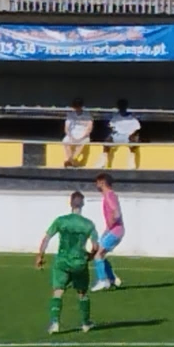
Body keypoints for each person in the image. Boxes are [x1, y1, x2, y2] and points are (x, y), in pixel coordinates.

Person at [36, 191, 97, 333]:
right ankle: (85, 323)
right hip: (79, 263)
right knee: (82, 292)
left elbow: (47, 238)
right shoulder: (88, 224)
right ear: (82, 204)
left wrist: (40, 255)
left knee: (58, 291)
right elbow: (95, 246)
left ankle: (55, 323)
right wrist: (91, 256)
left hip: (62, 261)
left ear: (70, 203)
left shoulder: (61, 221)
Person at [91, 173, 124, 292]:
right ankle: (111, 279)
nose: (96, 185)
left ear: (102, 183)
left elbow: (117, 213)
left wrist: (111, 223)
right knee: (101, 254)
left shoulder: (109, 195)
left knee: (98, 255)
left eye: (97, 182)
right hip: (115, 231)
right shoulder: (110, 195)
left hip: (116, 231)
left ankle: (103, 280)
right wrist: (105, 231)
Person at [94, 99, 140, 169]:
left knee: (134, 142)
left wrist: (131, 134)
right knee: (107, 142)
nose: (121, 108)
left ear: (126, 107)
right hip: (117, 136)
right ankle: (102, 163)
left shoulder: (132, 117)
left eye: (123, 106)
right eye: (120, 106)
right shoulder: (115, 117)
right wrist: (114, 132)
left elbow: (137, 128)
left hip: (128, 136)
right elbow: (111, 126)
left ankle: (131, 165)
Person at [62, 98, 93, 167]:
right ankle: (72, 161)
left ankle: (71, 160)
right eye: (76, 106)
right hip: (72, 134)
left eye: (78, 106)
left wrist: (83, 136)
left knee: (83, 142)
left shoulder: (87, 114)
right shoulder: (70, 114)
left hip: (83, 134)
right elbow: (66, 128)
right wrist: (70, 136)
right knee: (65, 141)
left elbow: (89, 128)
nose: (77, 108)